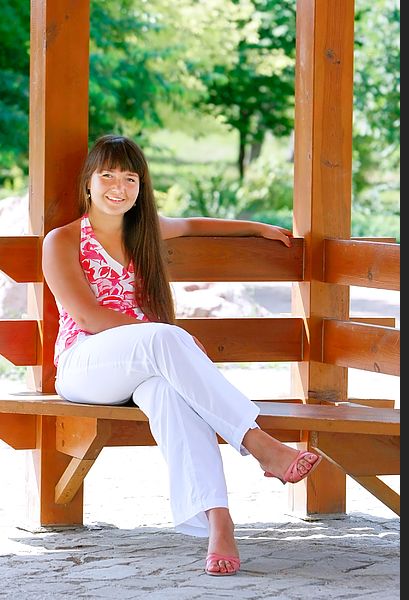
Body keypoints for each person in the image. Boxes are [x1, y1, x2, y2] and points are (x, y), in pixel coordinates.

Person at [42, 134, 322, 577]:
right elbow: (90, 317)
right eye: (108, 175)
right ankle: (259, 444)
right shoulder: (63, 241)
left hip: (143, 370)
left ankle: (219, 523)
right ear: (88, 184)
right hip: (85, 366)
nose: (119, 186)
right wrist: (166, 337)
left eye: (130, 178)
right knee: (166, 339)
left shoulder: (146, 230)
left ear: (141, 186)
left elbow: (193, 224)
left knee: (170, 397)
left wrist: (256, 228)